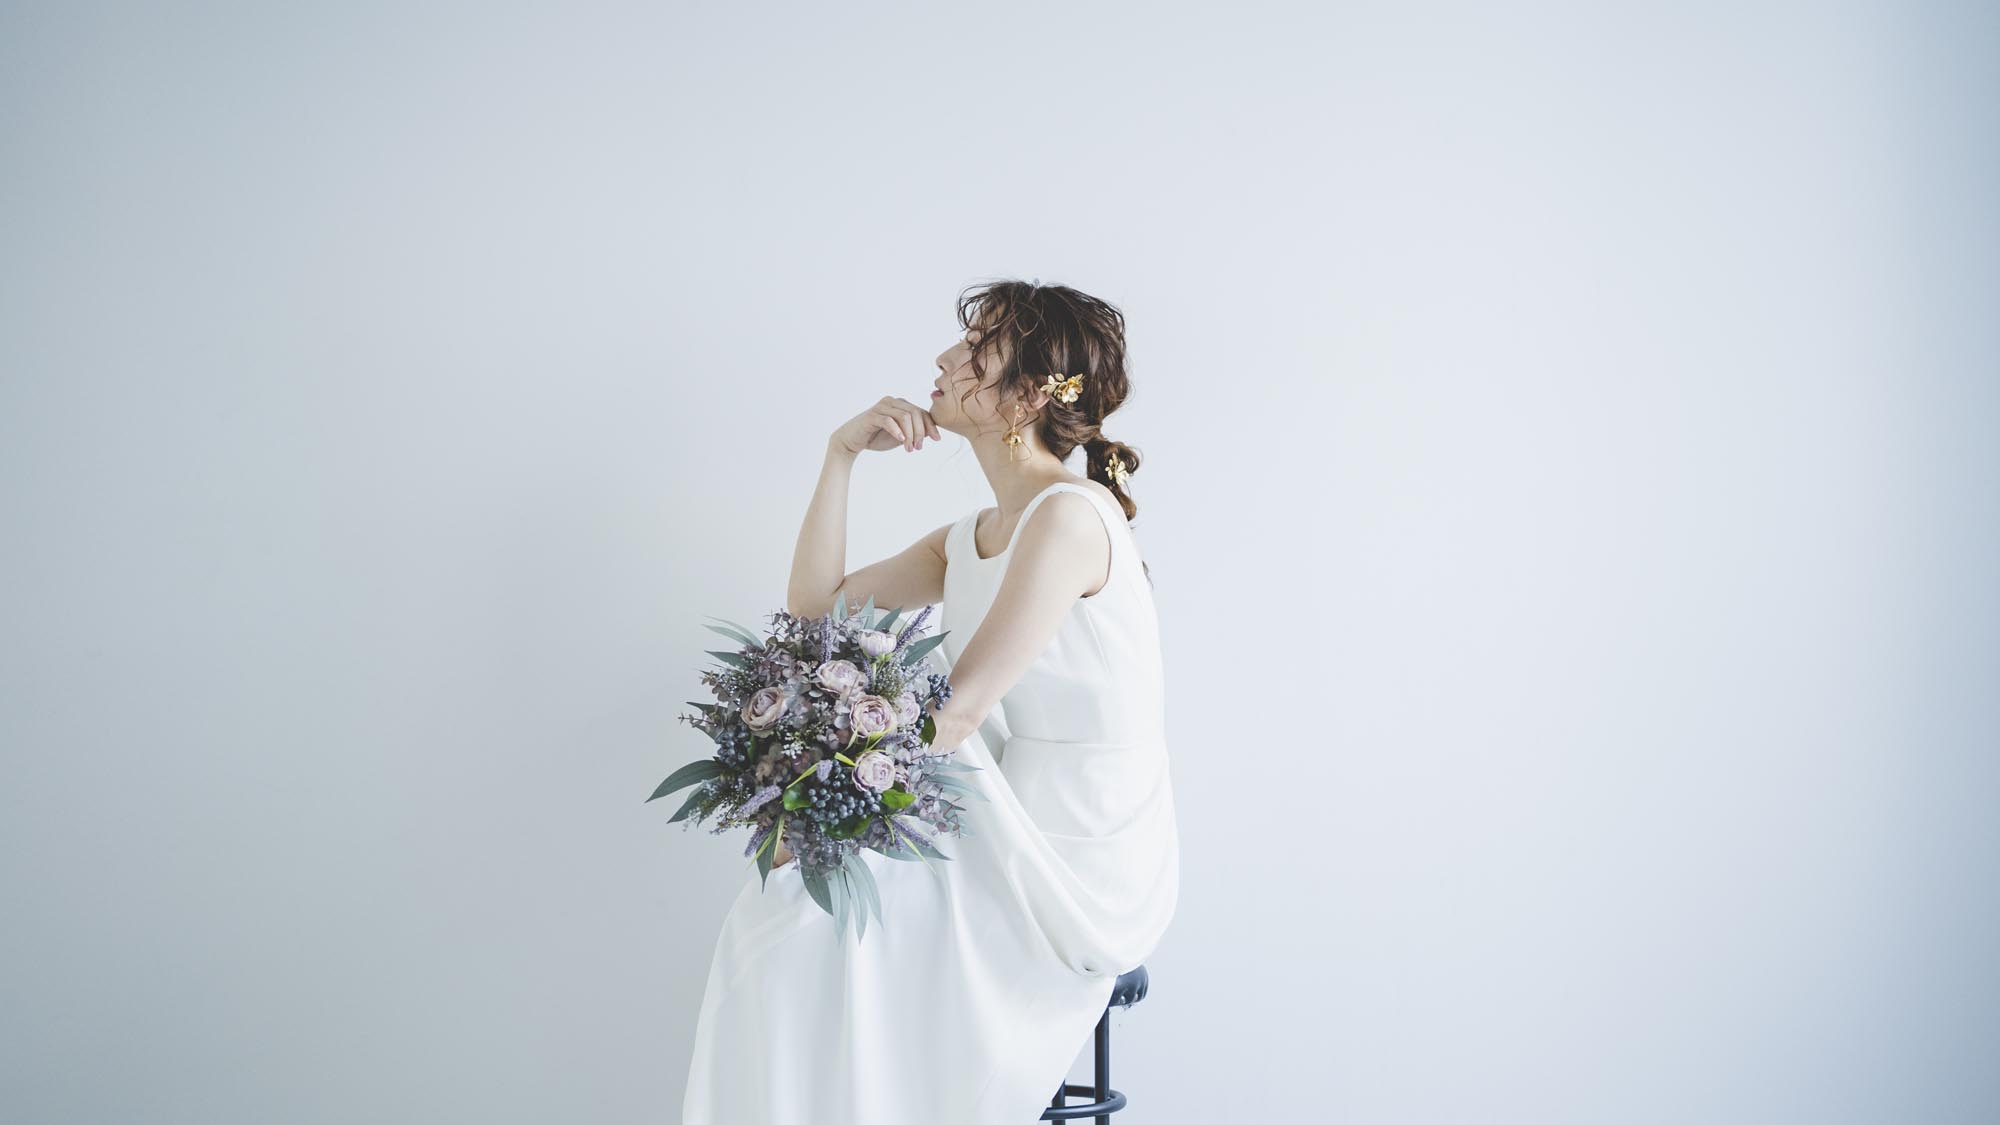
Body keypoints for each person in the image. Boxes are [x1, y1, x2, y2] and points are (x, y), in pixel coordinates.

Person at [680, 279, 1181, 1125]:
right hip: (1007, 804)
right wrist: (840, 453)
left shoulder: (1069, 516)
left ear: (1027, 395)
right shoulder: (972, 536)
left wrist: (830, 793)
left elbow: (962, 710)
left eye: (976, 349)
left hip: (1084, 839)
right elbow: (814, 610)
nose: (945, 359)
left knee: (817, 919)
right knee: (788, 916)